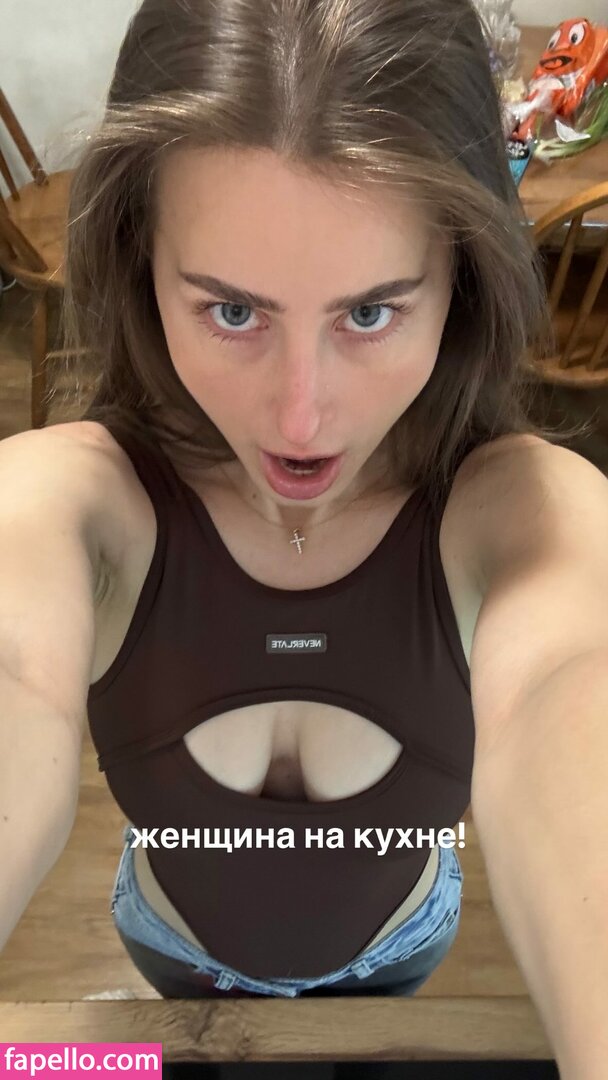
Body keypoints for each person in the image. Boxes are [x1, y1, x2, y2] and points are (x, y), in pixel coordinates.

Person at [1, 0, 607, 1074]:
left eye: (369, 313)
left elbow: (575, 681)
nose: (299, 418)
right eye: (232, 312)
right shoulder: (66, 501)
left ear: (460, 278)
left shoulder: (529, 520)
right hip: (169, 945)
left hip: (402, 948)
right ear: (142, 265)